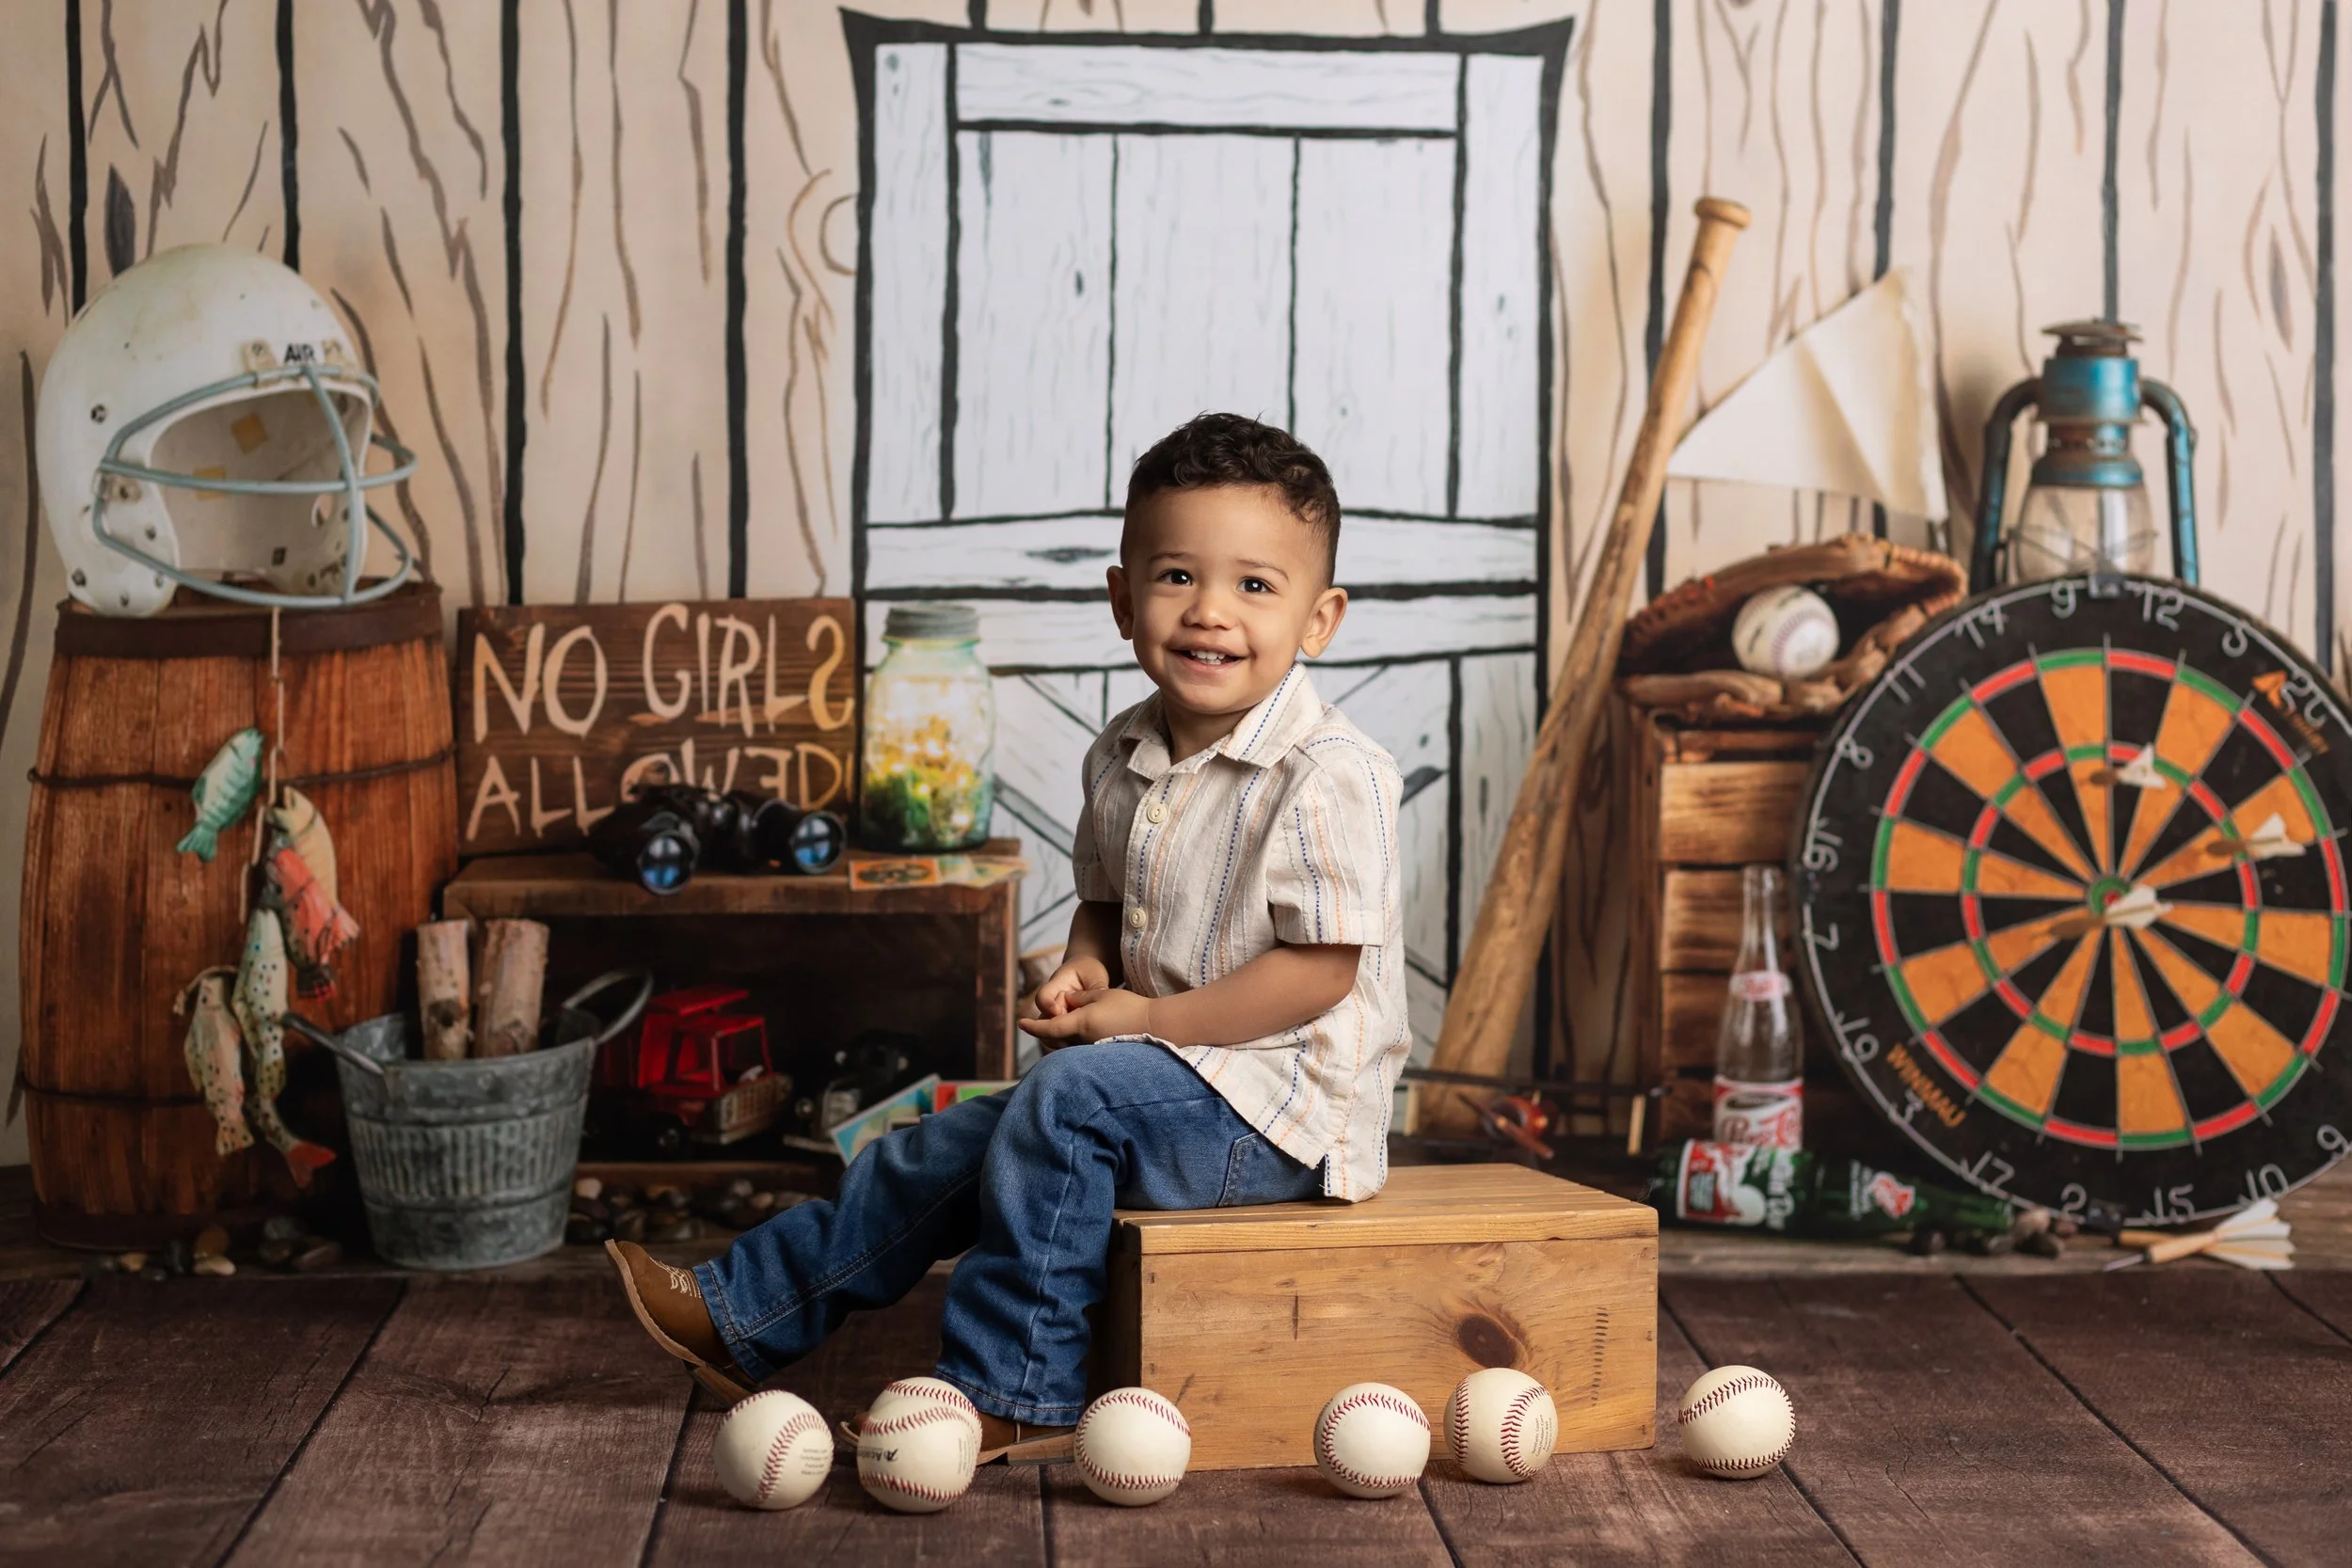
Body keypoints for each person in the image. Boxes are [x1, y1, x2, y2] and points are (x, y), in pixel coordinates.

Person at [608, 412, 1407, 1460]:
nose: (1210, 610)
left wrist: (1151, 1017)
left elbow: (1316, 973)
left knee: (1065, 1100)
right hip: (1162, 1076)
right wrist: (1086, 965)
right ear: (1122, 597)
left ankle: (1017, 1383)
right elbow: (1111, 906)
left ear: (1319, 617)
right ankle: (745, 1310)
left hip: (1282, 1111)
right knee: (948, 1143)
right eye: (1175, 576)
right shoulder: (1124, 752)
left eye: (1256, 585)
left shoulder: (1326, 773)